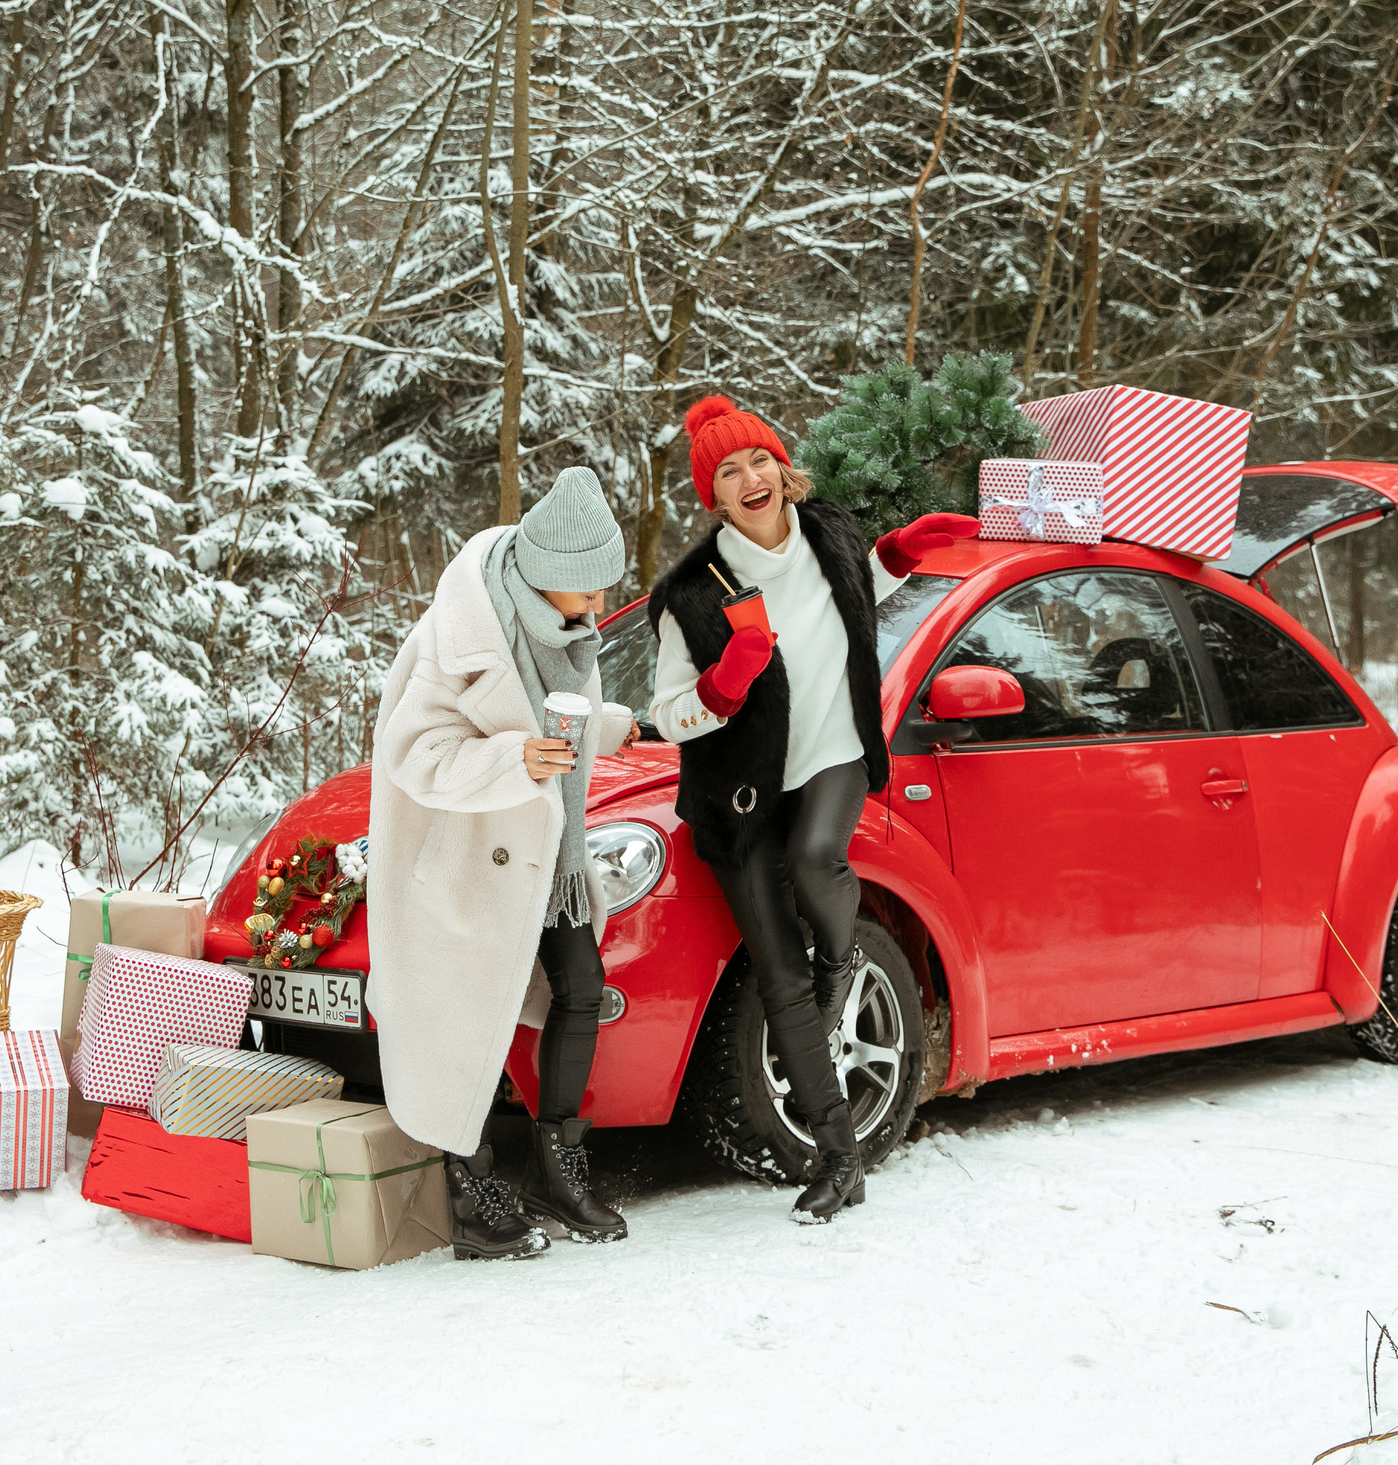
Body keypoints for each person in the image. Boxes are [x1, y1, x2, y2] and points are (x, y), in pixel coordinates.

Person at [649, 396, 974, 1223]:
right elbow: (668, 713)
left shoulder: (829, 531)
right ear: (714, 496)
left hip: (832, 752)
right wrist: (723, 687)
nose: (750, 478)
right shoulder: (691, 593)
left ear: (780, 466)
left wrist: (902, 549)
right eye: (729, 472)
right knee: (779, 979)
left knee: (817, 856)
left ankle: (841, 960)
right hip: (738, 795)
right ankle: (840, 1159)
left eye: (759, 459)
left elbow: (859, 587)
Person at [367, 466, 643, 1260]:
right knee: (469, 1015)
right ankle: (471, 1185)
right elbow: (414, 754)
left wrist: (606, 724)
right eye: (587, 588)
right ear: (548, 572)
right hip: (467, 861)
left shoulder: (566, 625)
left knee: (582, 987)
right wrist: (513, 759)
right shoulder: (457, 638)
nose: (598, 604)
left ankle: (556, 1168)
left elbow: (551, 722)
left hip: (546, 859)